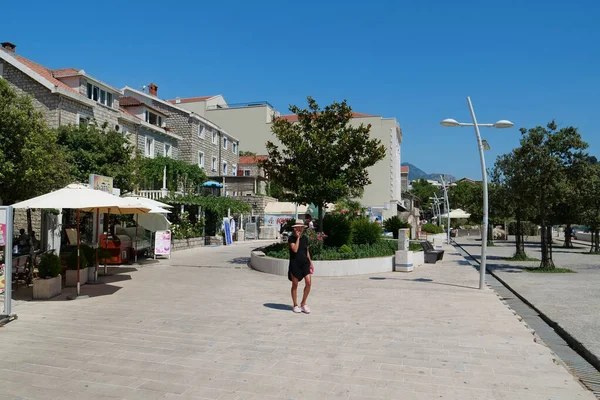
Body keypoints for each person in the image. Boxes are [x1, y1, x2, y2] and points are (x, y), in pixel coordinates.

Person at [288, 220, 313, 314]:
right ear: (295, 228)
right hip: (295, 264)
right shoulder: (291, 238)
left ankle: (303, 303)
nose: (299, 229)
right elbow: (294, 249)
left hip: (305, 264)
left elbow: (306, 251)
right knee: (295, 285)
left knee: (309, 283)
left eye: (301, 227)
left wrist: (310, 262)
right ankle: (295, 304)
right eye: (297, 227)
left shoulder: (305, 238)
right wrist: (298, 238)